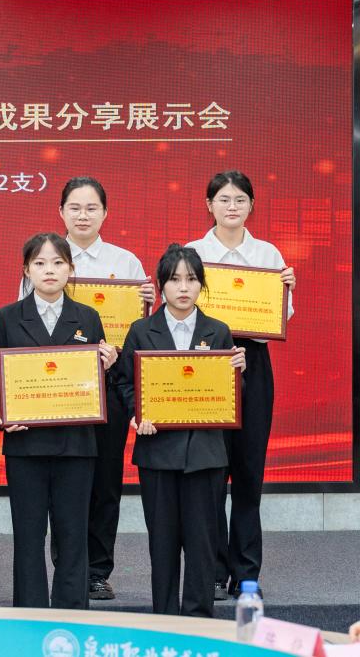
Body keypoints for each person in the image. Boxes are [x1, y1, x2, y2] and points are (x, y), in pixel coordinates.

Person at [0, 232, 116, 609]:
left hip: (76, 445)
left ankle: (72, 613)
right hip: (25, 444)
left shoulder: (87, 317)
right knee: (28, 535)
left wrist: (107, 366)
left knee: (73, 535)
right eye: (39, 263)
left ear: (70, 269)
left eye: (58, 262)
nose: (49, 270)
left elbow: (97, 382)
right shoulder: (8, 316)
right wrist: (0, 411)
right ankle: (30, 612)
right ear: (27, 270)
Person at [36, 177, 155, 601]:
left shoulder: (125, 263)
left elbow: (141, 332)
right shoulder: (45, 257)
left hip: (109, 383)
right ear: (61, 212)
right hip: (59, 388)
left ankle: (98, 570)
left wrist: (147, 304)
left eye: (91, 208)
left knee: (105, 481)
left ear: (105, 213)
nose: (83, 215)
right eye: (74, 207)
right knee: (64, 483)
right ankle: (68, 567)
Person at [116, 244, 246, 618]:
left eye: (191, 279)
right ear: (161, 286)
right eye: (174, 280)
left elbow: (231, 394)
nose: (183, 287)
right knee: (163, 543)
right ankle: (165, 618)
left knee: (203, 544)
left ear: (201, 285)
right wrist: (136, 414)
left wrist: (238, 372)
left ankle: (199, 620)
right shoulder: (141, 330)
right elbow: (124, 383)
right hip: (158, 452)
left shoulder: (218, 331)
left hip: (205, 455)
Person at [186, 171, 296, 601]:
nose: (232, 207)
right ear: (209, 205)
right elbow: (177, 308)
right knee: (211, 472)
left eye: (240, 200)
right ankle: (213, 570)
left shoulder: (267, 254)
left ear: (251, 205)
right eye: (223, 199)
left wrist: (285, 292)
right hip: (206, 361)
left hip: (254, 362)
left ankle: (246, 572)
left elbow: (280, 319)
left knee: (249, 473)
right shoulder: (193, 253)